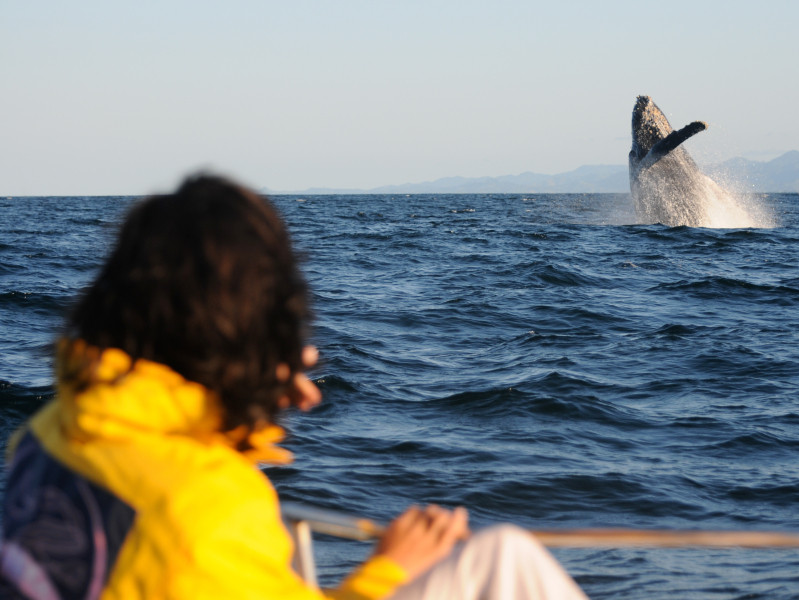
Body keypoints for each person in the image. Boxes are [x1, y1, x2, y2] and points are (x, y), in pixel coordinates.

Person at [0, 174, 588, 599]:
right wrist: (389, 566)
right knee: (505, 559)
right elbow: (185, 537)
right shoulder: (204, 509)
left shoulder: (49, 434)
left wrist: (238, 399)